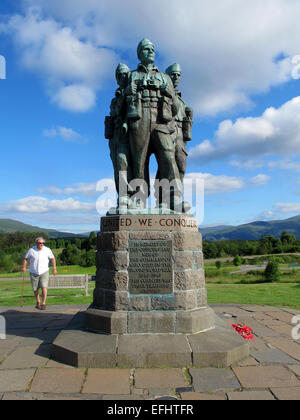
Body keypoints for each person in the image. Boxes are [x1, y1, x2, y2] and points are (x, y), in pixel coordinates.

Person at [124, 38, 182, 210]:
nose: (150, 52)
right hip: (139, 120)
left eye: (152, 49)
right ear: (139, 54)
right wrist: (128, 92)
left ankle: (171, 198)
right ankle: (139, 197)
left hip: (160, 121)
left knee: (168, 157)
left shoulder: (164, 77)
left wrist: (168, 92)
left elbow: (176, 107)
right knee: (139, 161)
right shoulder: (132, 76)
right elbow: (121, 104)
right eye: (146, 49)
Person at [105, 63, 133, 209]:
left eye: (125, 74)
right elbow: (115, 111)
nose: (123, 77)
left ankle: (133, 196)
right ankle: (123, 196)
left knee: (129, 165)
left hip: (131, 136)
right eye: (120, 74)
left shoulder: (133, 95)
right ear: (117, 78)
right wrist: (124, 95)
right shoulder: (116, 99)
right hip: (116, 136)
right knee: (119, 166)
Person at [22, 237, 57, 310]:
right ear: (36, 243)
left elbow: (52, 259)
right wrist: (24, 267)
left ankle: (43, 303)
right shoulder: (31, 250)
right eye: (40, 243)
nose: (41, 244)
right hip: (33, 272)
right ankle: (38, 301)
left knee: (44, 287)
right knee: (35, 288)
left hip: (44, 271)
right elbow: (25, 259)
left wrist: (54, 268)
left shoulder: (47, 250)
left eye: (43, 243)